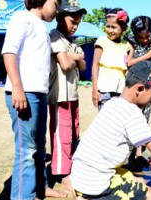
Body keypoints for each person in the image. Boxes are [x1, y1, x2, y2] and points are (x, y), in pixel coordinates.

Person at [70, 60, 151, 199]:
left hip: (81, 175)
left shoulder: (113, 103)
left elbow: (148, 140)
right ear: (139, 89)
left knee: (138, 180)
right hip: (97, 184)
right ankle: (89, 198)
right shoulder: (133, 113)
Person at [1, 0, 66, 199]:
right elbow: (9, 52)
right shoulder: (22, 18)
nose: (57, 9)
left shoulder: (41, 27)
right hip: (24, 93)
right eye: (55, 3)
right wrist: (17, 88)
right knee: (26, 151)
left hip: (38, 94)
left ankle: (40, 188)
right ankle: (22, 196)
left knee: (39, 146)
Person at [47, 0, 86, 189]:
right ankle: (63, 173)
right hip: (60, 95)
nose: (75, 25)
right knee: (62, 134)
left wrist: (75, 57)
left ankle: (70, 167)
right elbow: (65, 64)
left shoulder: (72, 41)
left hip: (72, 95)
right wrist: (75, 57)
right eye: (72, 21)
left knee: (73, 131)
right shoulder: (55, 36)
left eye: (78, 22)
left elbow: (83, 66)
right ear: (60, 17)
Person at [125, 15, 151, 172]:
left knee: (143, 121)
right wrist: (148, 55)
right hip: (133, 89)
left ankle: (138, 155)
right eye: (141, 37)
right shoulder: (131, 42)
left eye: (147, 36)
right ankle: (128, 156)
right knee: (130, 121)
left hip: (147, 90)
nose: (145, 40)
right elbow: (128, 63)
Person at [91, 8, 132, 110]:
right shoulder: (102, 41)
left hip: (121, 91)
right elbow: (95, 65)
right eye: (107, 26)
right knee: (105, 122)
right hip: (104, 90)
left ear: (124, 28)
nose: (109, 30)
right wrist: (94, 89)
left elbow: (129, 64)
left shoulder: (126, 45)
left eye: (114, 27)